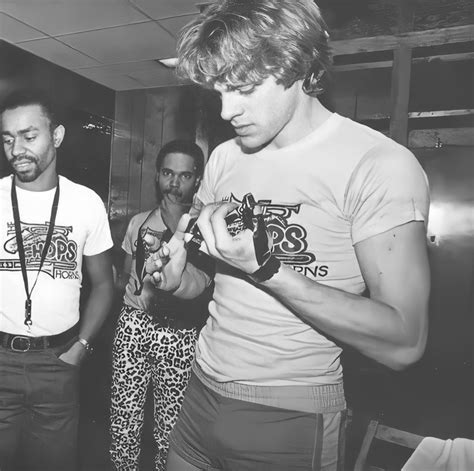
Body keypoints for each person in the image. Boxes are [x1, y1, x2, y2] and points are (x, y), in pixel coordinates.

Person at [146, 1, 431, 470]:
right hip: (199, 394)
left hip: (289, 414)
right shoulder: (224, 158)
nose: (226, 109)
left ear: (295, 63)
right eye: (219, 90)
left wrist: (267, 268)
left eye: (242, 88)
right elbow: (213, 281)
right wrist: (179, 279)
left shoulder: (379, 165)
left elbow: (405, 341)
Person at [0, 89, 114, 471]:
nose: (16, 148)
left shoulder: (86, 203)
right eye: (7, 138)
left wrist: (81, 346)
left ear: (57, 136)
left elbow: (103, 283)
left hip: (59, 361)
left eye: (29, 136)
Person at [109, 140, 212, 471]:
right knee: (123, 420)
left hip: (180, 331)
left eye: (184, 175)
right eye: (168, 173)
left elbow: (204, 286)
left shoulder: (205, 230)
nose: (174, 183)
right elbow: (126, 276)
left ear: (197, 180)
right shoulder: (139, 221)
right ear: (157, 176)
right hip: (134, 325)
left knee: (172, 426)